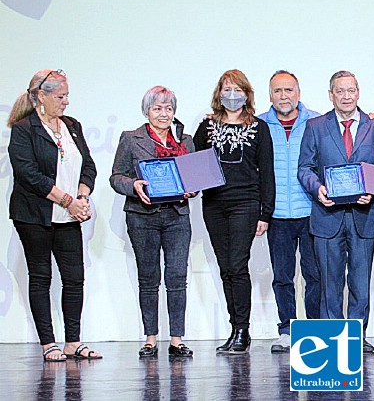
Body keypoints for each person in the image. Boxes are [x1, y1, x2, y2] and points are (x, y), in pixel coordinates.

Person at [7, 69, 101, 361]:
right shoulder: (24, 129)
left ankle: (73, 342)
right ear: (41, 96)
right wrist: (67, 200)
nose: (66, 102)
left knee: (75, 278)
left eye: (67, 96)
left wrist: (82, 197)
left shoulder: (72, 125)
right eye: (60, 96)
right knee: (41, 277)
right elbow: (29, 175)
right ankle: (48, 344)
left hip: (69, 216)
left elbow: (88, 166)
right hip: (35, 215)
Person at [298, 70, 374, 353]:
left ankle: (355, 336)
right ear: (331, 95)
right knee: (329, 283)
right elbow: (304, 168)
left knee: (360, 283)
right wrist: (318, 189)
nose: (346, 96)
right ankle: (331, 339)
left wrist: (372, 189)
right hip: (327, 216)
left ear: (358, 93)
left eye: (351, 90)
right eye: (340, 91)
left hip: (364, 217)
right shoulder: (315, 126)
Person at [110, 86, 196, 358]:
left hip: (177, 216)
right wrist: (133, 184)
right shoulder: (130, 138)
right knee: (148, 278)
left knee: (177, 277)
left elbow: (194, 179)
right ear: (146, 110)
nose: (163, 114)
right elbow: (116, 177)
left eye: (169, 109)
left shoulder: (186, 140)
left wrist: (193, 188)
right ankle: (150, 338)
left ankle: (177, 339)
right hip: (142, 217)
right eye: (157, 108)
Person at [194, 69, 275, 355]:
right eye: (226, 89)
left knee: (238, 265)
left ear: (246, 94)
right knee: (225, 267)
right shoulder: (206, 127)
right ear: (219, 93)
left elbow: (267, 171)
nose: (232, 94)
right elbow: (195, 165)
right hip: (214, 204)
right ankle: (234, 328)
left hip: (246, 202)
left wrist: (266, 213)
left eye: (237, 89)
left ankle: (243, 329)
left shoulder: (259, 127)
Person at [257, 71, 321, 353]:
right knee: (282, 276)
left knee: (314, 275)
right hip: (277, 215)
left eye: (289, 90)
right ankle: (287, 329)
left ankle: (316, 330)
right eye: (278, 91)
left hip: (312, 211)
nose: (284, 96)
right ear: (270, 95)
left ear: (299, 92)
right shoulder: (258, 125)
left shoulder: (318, 122)